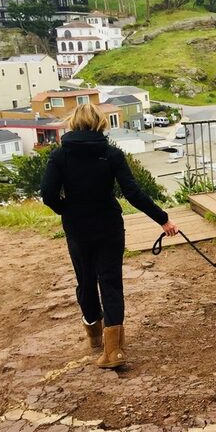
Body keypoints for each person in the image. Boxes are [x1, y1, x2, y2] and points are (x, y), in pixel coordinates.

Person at [41, 103, 178, 368]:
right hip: (109, 226)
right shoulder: (111, 154)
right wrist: (163, 219)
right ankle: (113, 352)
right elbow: (133, 193)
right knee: (111, 284)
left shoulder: (60, 156)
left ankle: (94, 334)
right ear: (100, 124)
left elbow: (48, 194)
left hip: (77, 228)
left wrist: (66, 209)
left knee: (86, 281)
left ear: (74, 123)